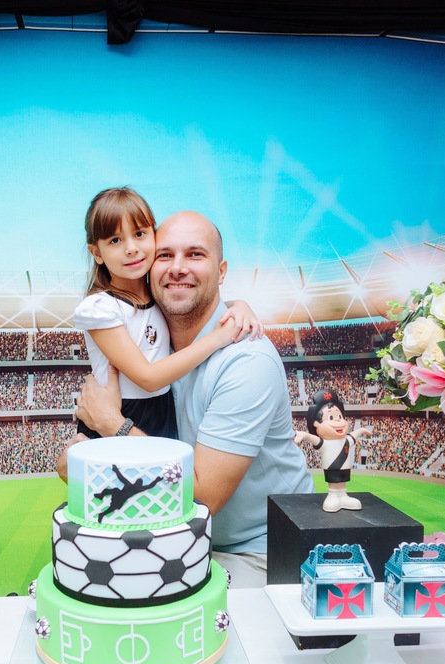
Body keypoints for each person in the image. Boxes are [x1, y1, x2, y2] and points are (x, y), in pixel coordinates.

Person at [69, 210, 313, 587]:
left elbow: (201, 497)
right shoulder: (149, 339)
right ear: (147, 267)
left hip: (261, 551)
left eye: (196, 255)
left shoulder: (247, 360)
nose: (177, 268)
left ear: (221, 271)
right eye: (164, 255)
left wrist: (113, 425)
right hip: (188, 537)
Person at [75, 187, 261, 439]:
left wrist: (240, 305)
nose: (131, 248)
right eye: (115, 241)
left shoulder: (157, 295)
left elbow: (199, 301)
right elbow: (148, 378)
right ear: (96, 253)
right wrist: (218, 338)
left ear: (153, 234)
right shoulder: (100, 307)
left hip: (161, 409)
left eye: (139, 233)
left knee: (172, 476)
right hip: (125, 412)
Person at [293, 389, 374, 512]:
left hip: (344, 469)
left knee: (342, 484)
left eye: (339, 416)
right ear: (316, 424)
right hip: (332, 468)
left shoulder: (345, 440)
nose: (337, 420)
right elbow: (315, 439)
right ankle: (333, 496)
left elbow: (354, 435)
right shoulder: (325, 443)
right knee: (334, 486)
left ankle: (343, 496)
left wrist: (362, 430)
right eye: (330, 417)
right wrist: (304, 435)